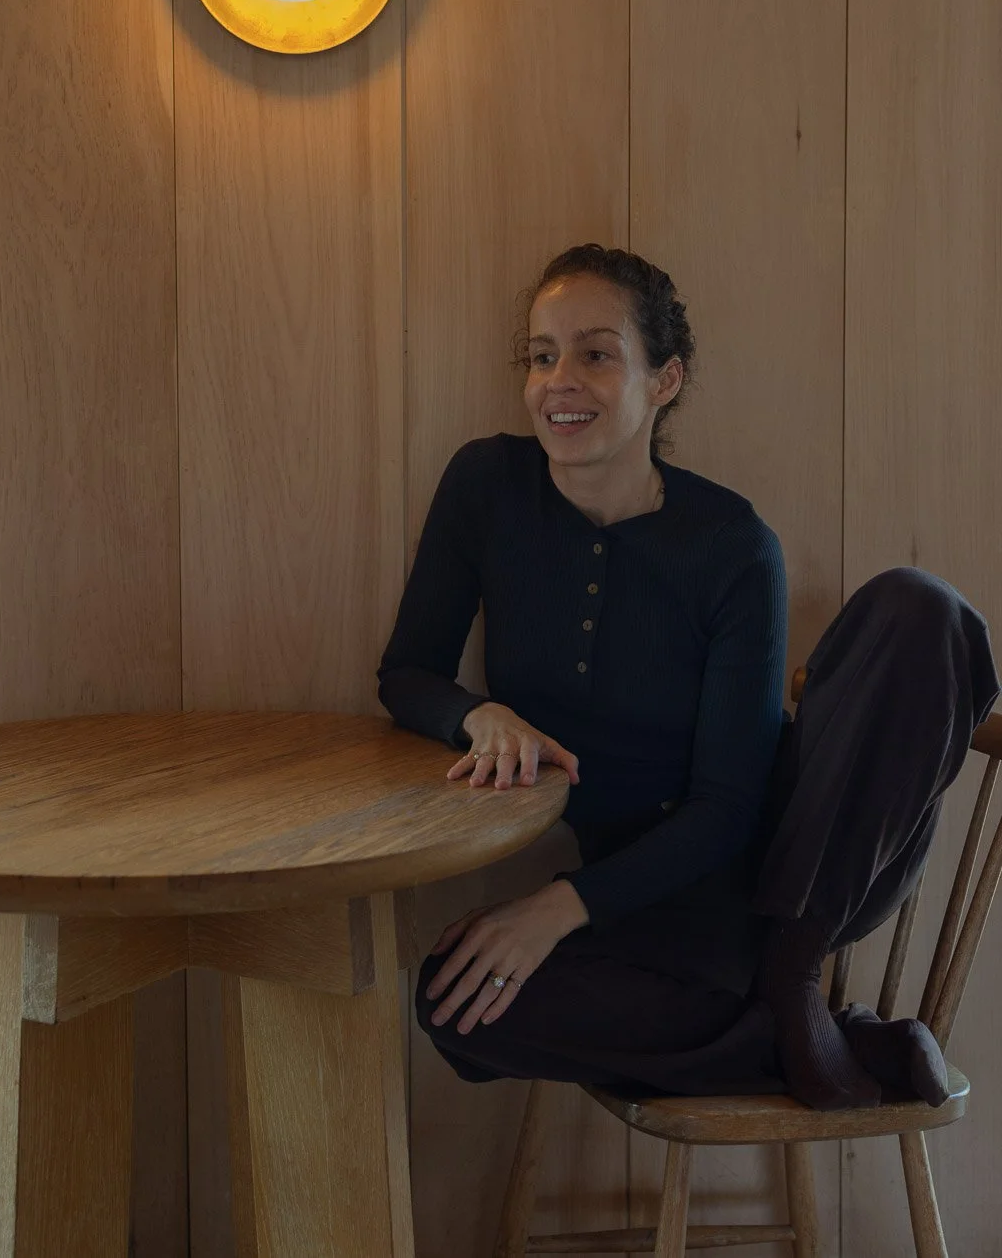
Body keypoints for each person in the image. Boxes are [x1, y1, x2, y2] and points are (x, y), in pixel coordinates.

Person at [376, 243, 1000, 1109]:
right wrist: (476, 716)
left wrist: (558, 905)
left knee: (918, 608)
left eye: (596, 354)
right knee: (456, 1000)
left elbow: (728, 809)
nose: (560, 380)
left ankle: (793, 969)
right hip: (651, 904)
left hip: (802, 855)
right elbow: (408, 671)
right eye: (543, 354)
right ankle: (805, 1033)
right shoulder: (487, 487)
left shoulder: (733, 546)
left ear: (663, 381)